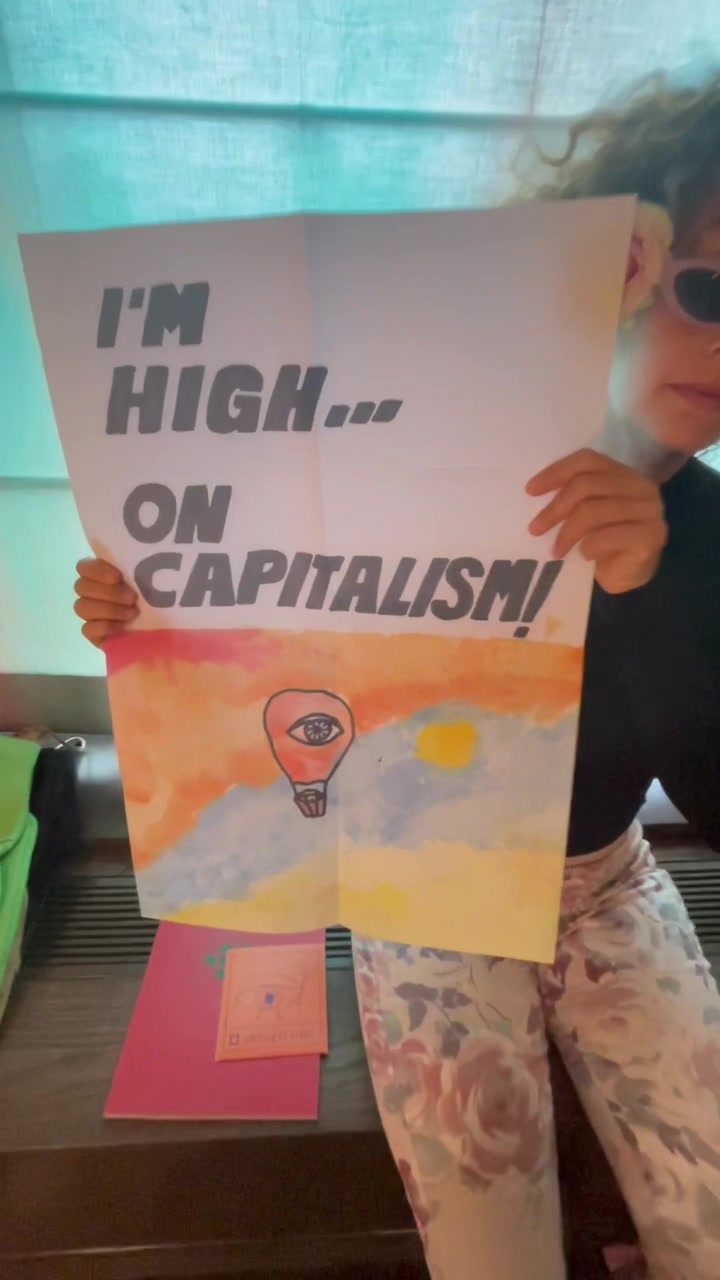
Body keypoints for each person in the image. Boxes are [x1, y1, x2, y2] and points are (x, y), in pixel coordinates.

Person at [73, 74, 720, 1280]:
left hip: (603, 878)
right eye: (708, 290)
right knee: (490, 1247)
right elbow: (280, 607)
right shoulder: (429, 456)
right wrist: (148, 607)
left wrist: (658, 586)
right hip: (422, 885)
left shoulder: (706, 529)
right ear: (615, 271)